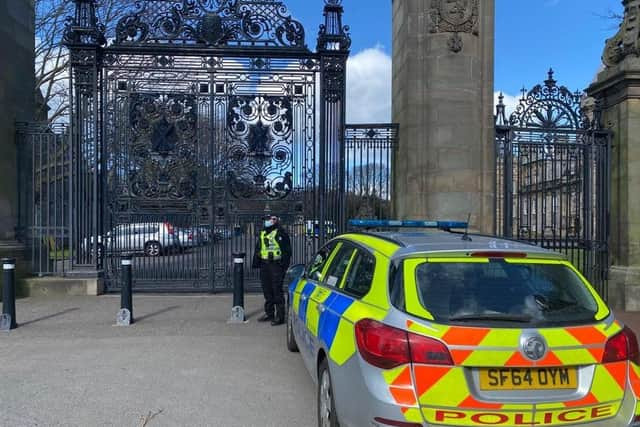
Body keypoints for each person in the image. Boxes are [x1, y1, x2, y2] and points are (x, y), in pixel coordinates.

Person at [252, 215, 292, 325]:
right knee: (267, 290)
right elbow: (259, 248)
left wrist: (284, 266)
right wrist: (257, 262)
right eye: (267, 219)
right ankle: (269, 313)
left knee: (277, 291)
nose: (268, 221)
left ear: (276, 220)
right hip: (265, 265)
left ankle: (280, 316)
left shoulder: (281, 233)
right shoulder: (263, 233)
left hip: (276, 265)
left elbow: (287, 251)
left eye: (271, 219)